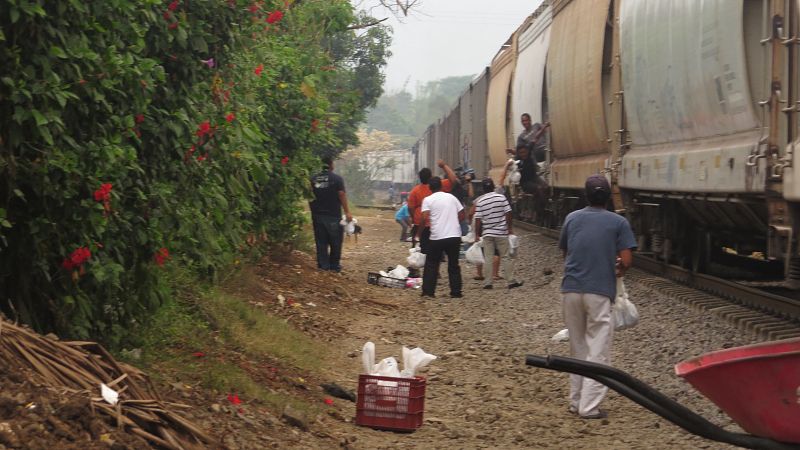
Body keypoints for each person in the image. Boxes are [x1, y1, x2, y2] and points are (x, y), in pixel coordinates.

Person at [558, 175, 637, 419]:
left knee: (578, 346)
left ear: (586, 195)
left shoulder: (572, 218)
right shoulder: (618, 222)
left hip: (570, 290)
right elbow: (626, 260)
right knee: (598, 349)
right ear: (608, 197)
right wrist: (617, 269)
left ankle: (575, 401)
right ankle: (589, 407)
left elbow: (566, 252)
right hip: (599, 292)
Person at [473, 178, 522, 290]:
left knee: (488, 258)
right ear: (493, 187)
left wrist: (476, 235)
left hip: (487, 234)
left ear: (483, 189)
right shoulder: (501, 197)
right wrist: (509, 228)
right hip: (501, 232)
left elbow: (478, 219)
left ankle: (488, 283)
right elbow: (508, 212)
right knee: (505, 256)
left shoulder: (480, 201)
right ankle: (511, 281)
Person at [420, 177, 464, 298]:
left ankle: (428, 292)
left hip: (437, 237)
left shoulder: (428, 200)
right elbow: (462, 214)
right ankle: (456, 292)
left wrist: (420, 232)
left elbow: (424, 218)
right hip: (454, 236)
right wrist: (454, 223)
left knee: (432, 263)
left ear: (430, 188)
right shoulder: (451, 197)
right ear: (441, 186)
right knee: (454, 264)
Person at [309, 156, 352, 272]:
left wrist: (313, 211)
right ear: (331, 165)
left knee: (321, 241)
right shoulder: (337, 179)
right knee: (335, 241)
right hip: (333, 215)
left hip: (317, 215)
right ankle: (334, 266)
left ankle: (323, 265)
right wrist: (347, 211)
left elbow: (309, 195)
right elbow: (341, 194)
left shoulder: (313, 179)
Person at [406, 159, 458, 247]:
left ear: (420, 178)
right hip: (437, 223)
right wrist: (444, 166)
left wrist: (414, 218)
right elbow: (453, 180)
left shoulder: (414, 191)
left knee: (419, 248)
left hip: (419, 223)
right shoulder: (439, 185)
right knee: (435, 248)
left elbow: (410, 208)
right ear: (431, 177)